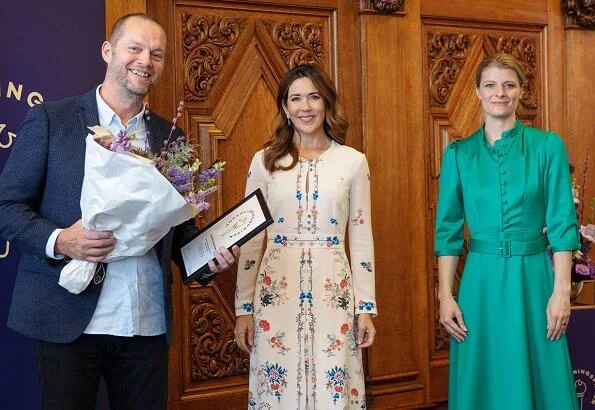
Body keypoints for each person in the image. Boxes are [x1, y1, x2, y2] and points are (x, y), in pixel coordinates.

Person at [0, 13, 239, 410]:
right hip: (67, 321)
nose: (146, 60)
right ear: (108, 51)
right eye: (135, 48)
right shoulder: (52, 119)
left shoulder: (170, 137)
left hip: (144, 325)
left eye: (157, 54)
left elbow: (176, 231)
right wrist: (61, 240)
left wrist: (209, 257)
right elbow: (5, 206)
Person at [435, 53, 580, 409]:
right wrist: (445, 296)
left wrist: (561, 291)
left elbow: (563, 225)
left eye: (508, 84)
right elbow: (448, 231)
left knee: (541, 375)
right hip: (479, 284)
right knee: (482, 375)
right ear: (477, 93)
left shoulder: (548, 146)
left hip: (534, 278)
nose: (499, 92)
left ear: (521, 91)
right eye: (490, 85)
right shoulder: (458, 154)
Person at [233, 64, 377, 409]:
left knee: (334, 382)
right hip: (277, 288)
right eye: (295, 98)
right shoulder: (264, 161)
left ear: (327, 103)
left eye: (314, 97)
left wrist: (366, 307)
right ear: (285, 107)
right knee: (277, 381)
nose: (305, 107)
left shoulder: (353, 162)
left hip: (334, 290)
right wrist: (244, 307)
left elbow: (360, 234)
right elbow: (251, 237)